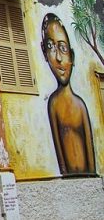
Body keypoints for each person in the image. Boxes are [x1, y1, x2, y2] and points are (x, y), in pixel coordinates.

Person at [41, 13, 96, 175]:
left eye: (62, 48)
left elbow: (90, 153)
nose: (58, 57)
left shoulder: (80, 106)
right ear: (44, 53)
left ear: (71, 56)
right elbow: (59, 154)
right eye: (51, 47)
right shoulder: (53, 103)